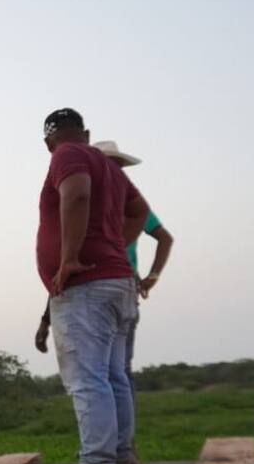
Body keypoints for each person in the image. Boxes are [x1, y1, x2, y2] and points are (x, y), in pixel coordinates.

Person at [36, 108, 149, 464]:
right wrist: (115, 243)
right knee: (114, 377)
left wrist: (69, 257)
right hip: (117, 284)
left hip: (88, 286)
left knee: (88, 380)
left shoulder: (65, 155)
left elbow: (78, 193)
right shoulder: (110, 167)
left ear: (48, 141)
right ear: (86, 132)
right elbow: (140, 212)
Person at [35, 140, 174, 402]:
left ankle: (112, 443)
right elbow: (65, 267)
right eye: (110, 164)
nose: (115, 169)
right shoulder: (84, 207)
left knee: (106, 374)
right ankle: (119, 443)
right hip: (93, 286)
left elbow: (164, 238)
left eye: (118, 165)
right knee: (110, 373)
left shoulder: (125, 205)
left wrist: (152, 276)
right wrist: (46, 319)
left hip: (114, 287)